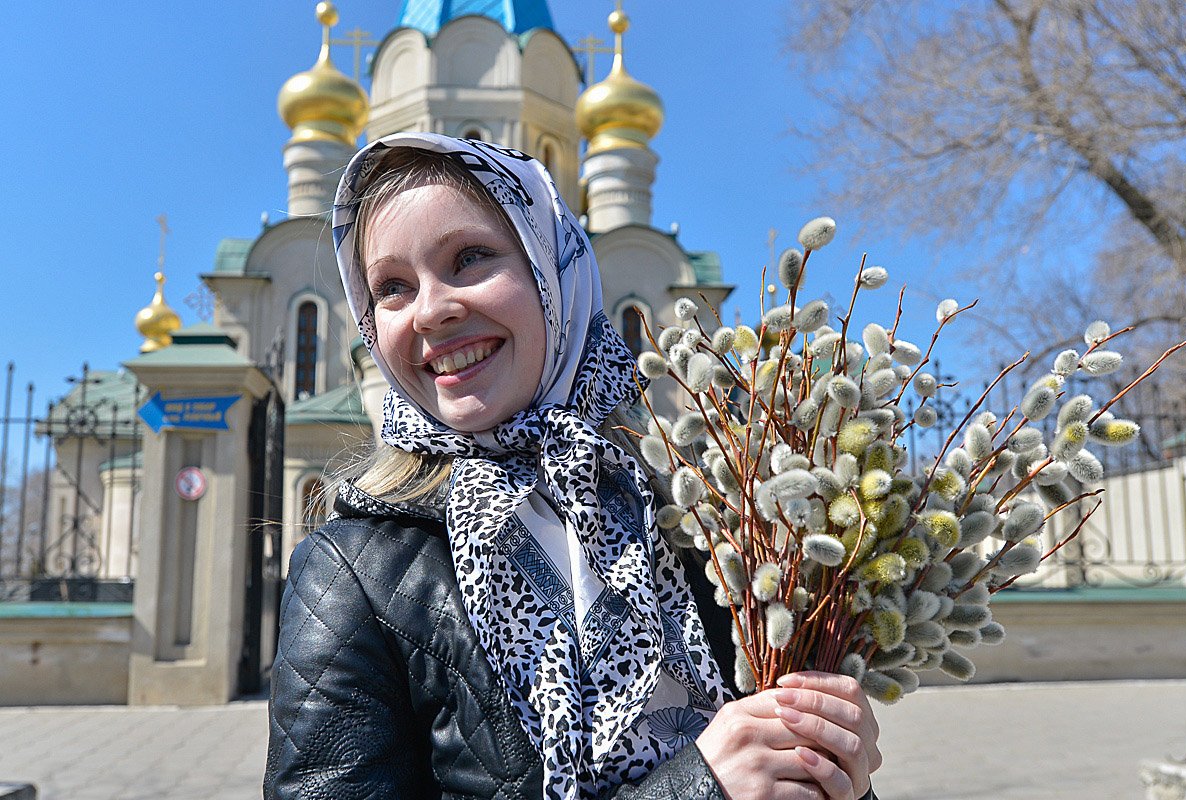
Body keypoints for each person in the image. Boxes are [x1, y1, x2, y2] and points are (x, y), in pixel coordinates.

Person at [263, 132, 882, 800]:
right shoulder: (356, 574)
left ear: (554, 269)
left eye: (470, 258)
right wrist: (699, 790)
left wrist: (828, 761)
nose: (432, 309)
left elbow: (777, 762)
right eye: (391, 287)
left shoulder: (692, 521)